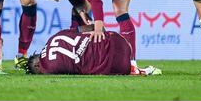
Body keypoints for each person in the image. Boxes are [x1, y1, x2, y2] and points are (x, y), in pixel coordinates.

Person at [27, 26, 161, 75]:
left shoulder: (48, 68)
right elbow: (84, 29)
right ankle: (135, 67)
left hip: (116, 64)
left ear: (38, 65)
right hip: (117, 39)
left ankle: (138, 71)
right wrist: (101, 30)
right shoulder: (54, 37)